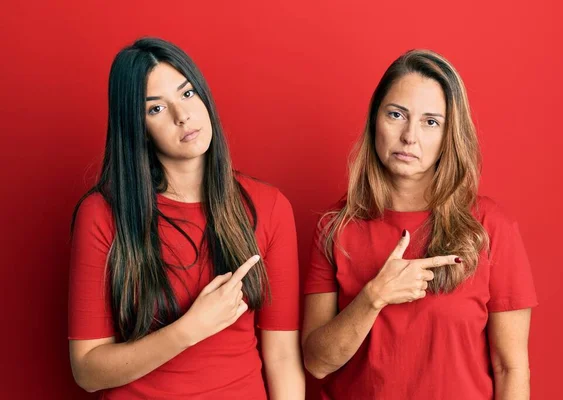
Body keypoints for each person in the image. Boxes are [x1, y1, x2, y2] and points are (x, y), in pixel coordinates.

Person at [68, 37, 304, 399]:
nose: (183, 116)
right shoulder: (102, 214)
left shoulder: (269, 207)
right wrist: (189, 329)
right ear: (138, 128)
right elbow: (87, 370)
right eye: (156, 109)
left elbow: (284, 356)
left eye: (188, 94)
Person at [302, 49, 537, 400]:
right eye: (396, 114)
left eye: (431, 122)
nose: (409, 136)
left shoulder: (489, 227)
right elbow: (317, 362)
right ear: (375, 120)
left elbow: (511, 366)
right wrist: (373, 296)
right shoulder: (336, 227)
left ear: (448, 137)